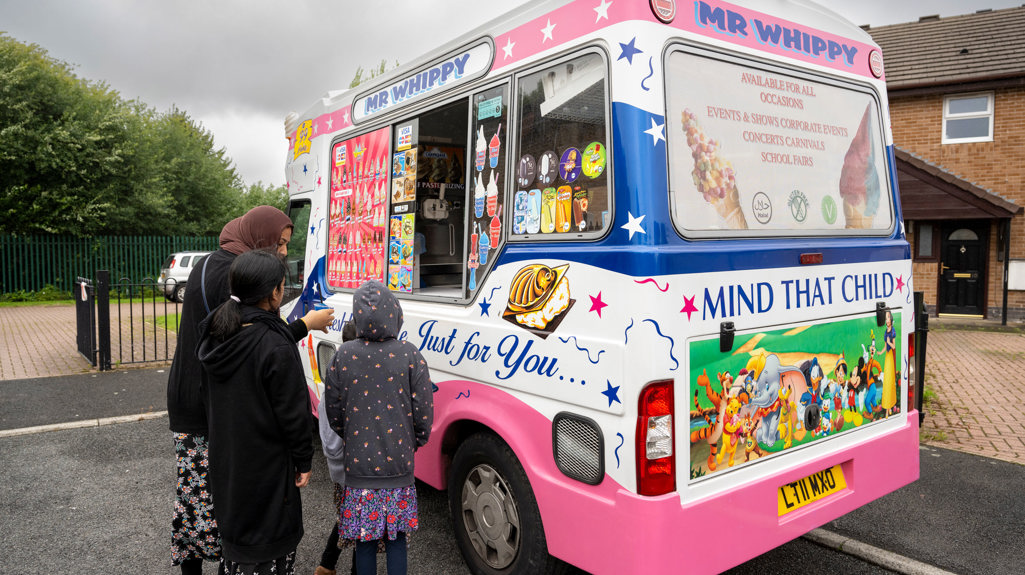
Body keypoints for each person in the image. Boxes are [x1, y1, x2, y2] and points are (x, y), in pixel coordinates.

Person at [167, 205, 334, 575]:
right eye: (281, 244)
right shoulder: (234, 274)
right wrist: (304, 324)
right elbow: (261, 347)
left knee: (207, 500)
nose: (283, 253)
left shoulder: (219, 262)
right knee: (213, 501)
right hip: (207, 407)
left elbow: (251, 343)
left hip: (204, 395)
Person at [197, 249, 314, 575]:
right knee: (269, 546)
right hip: (267, 468)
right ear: (273, 292)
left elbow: (205, 396)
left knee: (236, 546)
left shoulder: (217, 332)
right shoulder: (273, 344)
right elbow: (294, 414)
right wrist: (304, 459)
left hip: (227, 460)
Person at [324, 281, 434, 575]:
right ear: (395, 313)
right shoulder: (410, 355)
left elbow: (334, 412)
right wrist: (416, 440)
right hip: (399, 465)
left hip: (358, 468)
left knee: (365, 541)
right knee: (397, 538)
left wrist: (352, 438)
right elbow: (424, 410)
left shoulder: (342, 356)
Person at [316, 319, 358, 575]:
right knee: (361, 528)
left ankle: (326, 564)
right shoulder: (351, 381)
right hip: (352, 469)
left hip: (339, 468)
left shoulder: (334, 372)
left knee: (347, 518)